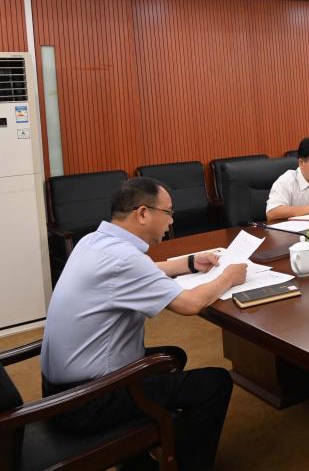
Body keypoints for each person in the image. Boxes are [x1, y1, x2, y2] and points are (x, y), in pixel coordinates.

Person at [41, 178, 246, 470]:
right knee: (216, 383)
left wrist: (190, 262)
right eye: (169, 212)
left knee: (172, 357)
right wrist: (228, 277)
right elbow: (190, 304)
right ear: (143, 213)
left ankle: (143, 454)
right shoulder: (124, 259)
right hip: (88, 401)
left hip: (60, 390)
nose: (171, 220)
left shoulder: (93, 241)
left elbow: (142, 270)